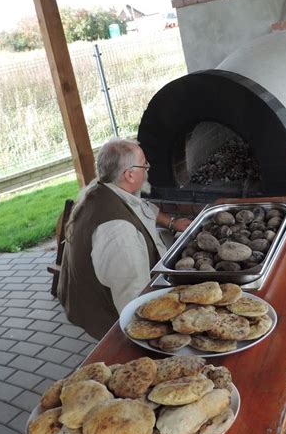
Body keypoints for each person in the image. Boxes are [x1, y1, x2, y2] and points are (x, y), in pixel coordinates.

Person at [57, 138, 191, 340]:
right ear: (129, 175)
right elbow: (133, 300)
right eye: (144, 163)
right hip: (105, 316)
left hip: (84, 298)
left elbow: (140, 206)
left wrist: (172, 222)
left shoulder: (103, 188)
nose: (147, 167)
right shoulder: (119, 232)